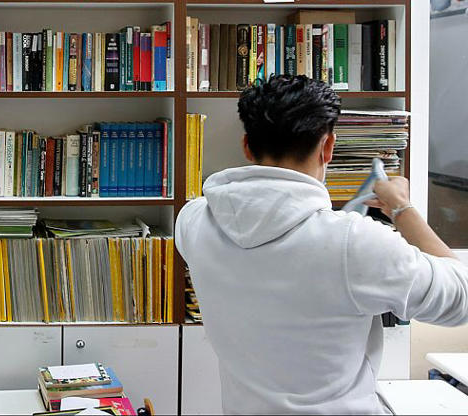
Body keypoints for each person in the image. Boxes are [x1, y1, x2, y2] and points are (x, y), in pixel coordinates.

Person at [175, 75, 468, 415]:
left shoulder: (193, 221)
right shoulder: (354, 243)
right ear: (328, 147)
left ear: (246, 146)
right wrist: (403, 209)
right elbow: (462, 298)